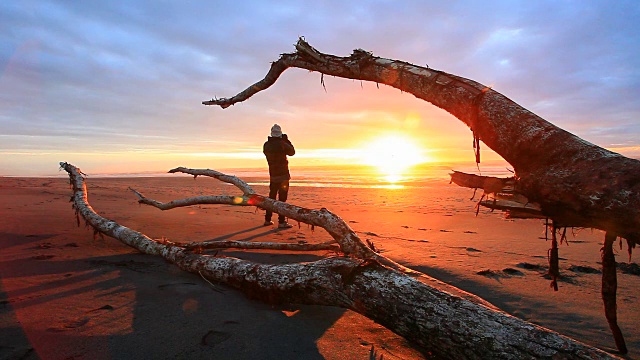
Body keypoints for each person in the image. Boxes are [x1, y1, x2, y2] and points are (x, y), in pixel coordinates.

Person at [263, 124, 295, 228]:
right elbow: (292, 152)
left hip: (273, 175)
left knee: (271, 198)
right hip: (283, 176)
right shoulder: (282, 144)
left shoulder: (266, 145)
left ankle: (267, 219)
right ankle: (281, 222)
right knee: (282, 199)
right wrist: (286, 140)